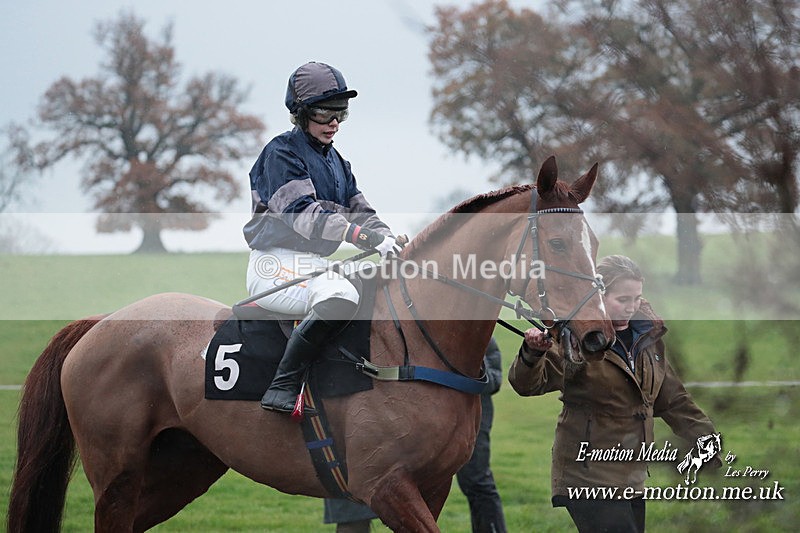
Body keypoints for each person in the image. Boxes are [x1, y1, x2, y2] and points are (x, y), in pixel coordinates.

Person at [508, 255, 720, 533]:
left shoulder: (648, 338)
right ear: (598, 296)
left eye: (637, 298)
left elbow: (673, 400)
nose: (632, 307)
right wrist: (533, 353)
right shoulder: (575, 338)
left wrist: (705, 439)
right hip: (587, 477)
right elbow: (527, 385)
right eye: (623, 299)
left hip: (632, 477)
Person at [244, 61, 403, 413]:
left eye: (340, 113)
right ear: (301, 114)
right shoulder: (280, 153)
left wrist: (388, 239)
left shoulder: (338, 163)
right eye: (324, 113)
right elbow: (304, 215)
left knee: (375, 285)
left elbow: (362, 212)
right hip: (275, 264)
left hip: (314, 265)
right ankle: (283, 387)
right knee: (342, 296)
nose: (334, 123)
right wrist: (363, 238)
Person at [323, 337, 507, 533]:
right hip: (389, 418)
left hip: (467, 416)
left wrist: (460, 374)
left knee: (477, 481)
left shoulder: (473, 332)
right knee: (356, 508)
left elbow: (493, 379)